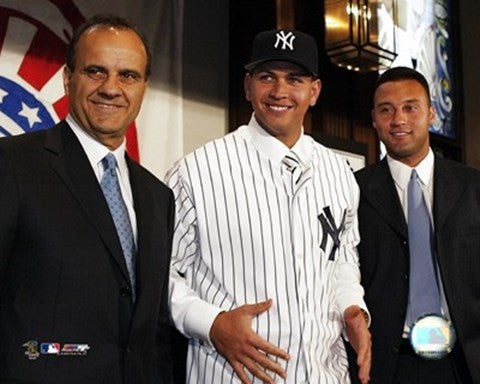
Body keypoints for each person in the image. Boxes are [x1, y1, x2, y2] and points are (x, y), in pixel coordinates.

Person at [167, 29, 371, 384]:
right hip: (232, 375)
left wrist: (352, 307)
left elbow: (342, 261)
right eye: (266, 77)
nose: (279, 92)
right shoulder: (196, 171)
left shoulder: (339, 172)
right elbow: (161, 274)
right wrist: (211, 323)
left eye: (294, 79)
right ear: (248, 87)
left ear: (314, 91)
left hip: (327, 375)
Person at [0, 14, 175, 384]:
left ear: (144, 86)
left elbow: (154, 330)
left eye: (127, 75)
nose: (111, 88)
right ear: (68, 78)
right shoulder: (13, 164)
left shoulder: (158, 197)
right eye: (96, 71)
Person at [347, 66, 478, 383]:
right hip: (387, 367)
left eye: (410, 107)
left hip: (465, 363)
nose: (399, 120)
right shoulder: (352, 191)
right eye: (386, 110)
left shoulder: (473, 186)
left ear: (431, 113)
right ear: (375, 120)